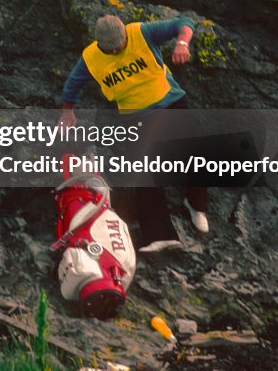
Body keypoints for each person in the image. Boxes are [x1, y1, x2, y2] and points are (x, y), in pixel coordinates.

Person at [59, 14, 208, 252]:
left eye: (120, 45)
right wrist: (68, 113)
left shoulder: (142, 32)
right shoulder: (91, 57)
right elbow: (73, 84)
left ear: (125, 34)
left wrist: (182, 43)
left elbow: (185, 22)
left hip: (170, 101)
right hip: (135, 116)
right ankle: (159, 236)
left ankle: (196, 205)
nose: (117, 51)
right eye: (111, 50)